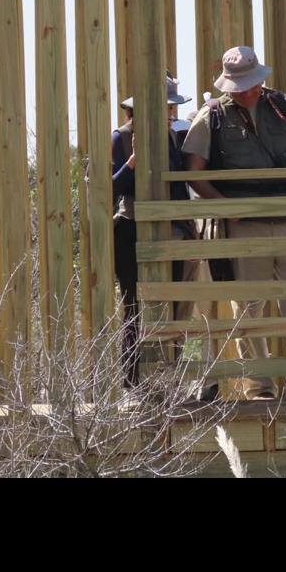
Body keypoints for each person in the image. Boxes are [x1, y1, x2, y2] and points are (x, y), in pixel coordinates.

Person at [182, 46, 286, 401]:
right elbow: (193, 172)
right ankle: (258, 388)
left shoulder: (281, 104)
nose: (246, 90)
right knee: (248, 309)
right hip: (243, 224)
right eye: (239, 85)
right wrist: (223, 207)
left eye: (250, 83)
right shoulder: (212, 114)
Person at [111, 72, 193, 389]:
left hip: (172, 231)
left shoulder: (173, 137)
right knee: (135, 308)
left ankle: (167, 381)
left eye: (170, 108)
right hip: (131, 231)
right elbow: (109, 189)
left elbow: (180, 188)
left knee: (172, 309)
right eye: (165, 108)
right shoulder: (121, 138)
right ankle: (132, 383)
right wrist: (133, 162)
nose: (169, 114)